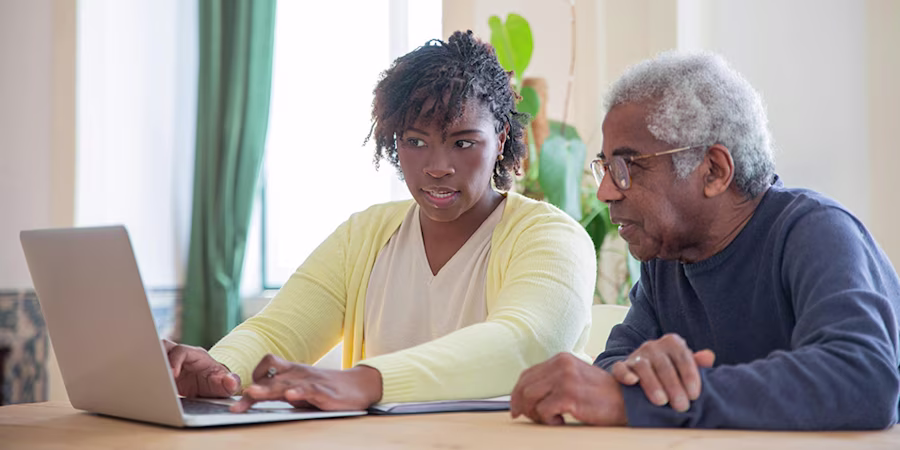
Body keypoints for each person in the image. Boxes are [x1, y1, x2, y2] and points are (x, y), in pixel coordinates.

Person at [164, 30, 596, 412]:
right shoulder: (364, 236)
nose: (437, 166)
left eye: (463, 142)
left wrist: (365, 382)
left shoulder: (551, 238)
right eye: (415, 141)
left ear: (500, 139)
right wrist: (220, 370)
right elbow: (279, 331)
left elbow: (525, 343)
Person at [510, 51, 900, 430]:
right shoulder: (666, 257)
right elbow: (615, 364)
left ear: (713, 171)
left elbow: (863, 379)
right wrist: (638, 378)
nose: (606, 192)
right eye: (606, 168)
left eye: (627, 167)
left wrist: (644, 401)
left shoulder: (815, 232)